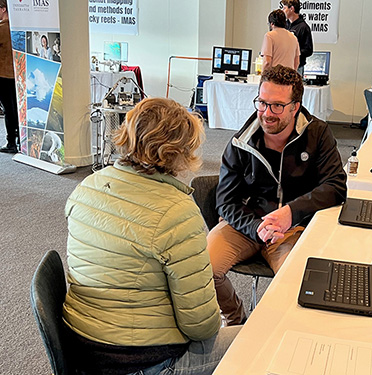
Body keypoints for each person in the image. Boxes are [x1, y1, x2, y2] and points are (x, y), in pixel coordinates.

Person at [63, 98, 241, 375]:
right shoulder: (177, 212)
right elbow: (201, 325)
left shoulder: (89, 186)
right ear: (180, 151)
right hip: (142, 362)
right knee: (260, 339)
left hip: (82, 346)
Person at [208, 65, 347, 326]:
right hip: (247, 224)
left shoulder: (317, 134)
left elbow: (336, 185)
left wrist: (291, 212)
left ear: (295, 107)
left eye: (277, 106)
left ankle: (272, 333)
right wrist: (257, 226)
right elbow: (225, 201)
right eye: (262, 102)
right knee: (202, 268)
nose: (266, 113)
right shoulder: (242, 141)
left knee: (295, 286)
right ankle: (237, 323)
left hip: (292, 229)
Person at [0, 0, 19, 153]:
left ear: (4, 9)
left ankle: (11, 142)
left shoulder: (2, 28)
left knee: (9, 110)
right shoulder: (15, 27)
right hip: (15, 74)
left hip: (3, 75)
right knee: (15, 108)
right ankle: (18, 139)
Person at [281, 0, 313, 76]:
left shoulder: (303, 27)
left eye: (284, 8)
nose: (282, 11)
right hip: (282, 66)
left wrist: (294, 52)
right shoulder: (284, 26)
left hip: (297, 67)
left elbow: (308, 50)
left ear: (291, 9)